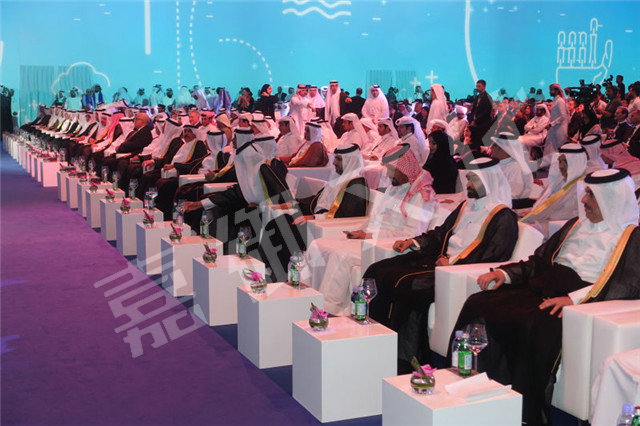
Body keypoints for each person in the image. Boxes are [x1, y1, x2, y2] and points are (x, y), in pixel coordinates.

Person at [456, 168, 640, 425]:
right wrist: (505, 273)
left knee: (536, 325)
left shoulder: (631, 237)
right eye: (586, 192)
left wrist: (575, 299)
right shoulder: (575, 225)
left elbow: (627, 284)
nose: (584, 200)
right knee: (479, 303)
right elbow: (539, 261)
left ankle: (523, 412)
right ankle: (473, 385)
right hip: (545, 287)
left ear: (612, 199)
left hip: (581, 299)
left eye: (591, 195)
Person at [362, 157, 518, 371]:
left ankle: (407, 359)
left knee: (409, 286)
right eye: (469, 179)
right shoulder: (466, 206)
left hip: (457, 272)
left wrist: (452, 263)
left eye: (473, 179)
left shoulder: (503, 216)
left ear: (488, 181)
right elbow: (441, 233)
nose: (468, 184)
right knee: (379, 270)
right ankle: (372, 338)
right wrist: (414, 242)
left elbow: (494, 255)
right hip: (437, 261)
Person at [307, 144, 438, 315]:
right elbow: (376, 218)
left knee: (341, 256)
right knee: (318, 244)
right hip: (371, 238)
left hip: (390, 247)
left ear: (404, 169)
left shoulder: (421, 195)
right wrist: (361, 231)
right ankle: (308, 296)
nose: (388, 174)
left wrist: (369, 234)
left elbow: (411, 234)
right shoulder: (394, 188)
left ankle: (328, 311)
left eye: (392, 170)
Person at [259, 144, 368, 281]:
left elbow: (346, 215)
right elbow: (317, 199)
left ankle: (283, 275)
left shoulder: (357, 185)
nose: (334, 162)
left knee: (286, 228)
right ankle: (267, 267)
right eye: (335, 158)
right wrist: (293, 203)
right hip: (318, 220)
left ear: (350, 161)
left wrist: (314, 218)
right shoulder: (338, 179)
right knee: (277, 222)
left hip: (329, 227)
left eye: (338, 159)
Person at [181, 128, 292, 249]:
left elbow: (285, 199)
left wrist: (262, 206)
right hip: (254, 209)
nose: (232, 142)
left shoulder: (265, 169)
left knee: (232, 216)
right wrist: (199, 204)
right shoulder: (251, 172)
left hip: (271, 215)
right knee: (218, 210)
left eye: (235, 139)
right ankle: (214, 249)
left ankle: (229, 251)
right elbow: (235, 193)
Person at [521, 143, 587, 226]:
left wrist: (533, 220)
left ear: (576, 162)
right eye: (559, 161)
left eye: (565, 162)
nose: (561, 166)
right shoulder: (559, 180)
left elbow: (563, 217)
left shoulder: (581, 189)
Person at [490, 132, 534, 208]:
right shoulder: (496, 165)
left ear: (505, 149)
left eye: (494, 146)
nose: (491, 148)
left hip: (509, 207)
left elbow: (513, 195)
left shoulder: (516, 168)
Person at [424, 125, 458, 194]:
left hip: (441, 195)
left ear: (441, 144)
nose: (430, 146)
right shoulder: (434, 158)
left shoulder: (446, 162)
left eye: (433, 143)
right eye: (430, 143)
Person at [542, 83, 569, 165]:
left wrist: (551, 124)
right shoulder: (555, 100)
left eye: (551, 90)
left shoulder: (560, 101)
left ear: (557, 91)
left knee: (560, 149)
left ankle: (563, 166)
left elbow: (563, 116)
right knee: (550, 147)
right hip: (554, 128)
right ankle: (549, 165)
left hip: (560, 129)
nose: (549, 92)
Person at [468, 80, 493, 150]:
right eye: (476, 86)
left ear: (484, 87)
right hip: (474, 124)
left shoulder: (488, 97)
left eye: (479, 86)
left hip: (482, 125)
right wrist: (471, 120)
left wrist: (475, 121)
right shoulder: (477, 97)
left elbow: (486, 113)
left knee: (479, 145)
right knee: (473, 143)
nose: (477, 88)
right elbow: (473, 110)